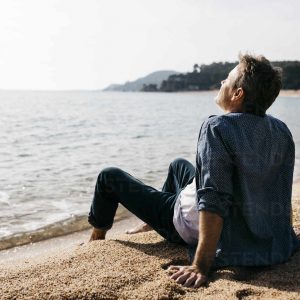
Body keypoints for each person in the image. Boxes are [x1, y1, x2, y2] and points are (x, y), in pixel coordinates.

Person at [88, 54, 300, 288]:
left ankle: (96, 239)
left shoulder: (218, 127)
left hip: (189, 222)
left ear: (238, 94)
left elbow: (213, 199)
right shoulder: (281, 130)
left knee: (108, 177)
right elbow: (278, 189)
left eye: (227, 80)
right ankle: (149, 223)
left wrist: (201, 264)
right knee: (178, 164)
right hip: (264, 235)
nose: (222, 83)